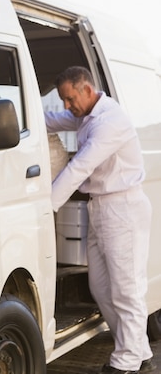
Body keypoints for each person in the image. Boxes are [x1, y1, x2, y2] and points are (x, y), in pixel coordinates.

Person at [45, 66, 155, 374]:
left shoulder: (110, 121)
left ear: (86, 90)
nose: (67, 106)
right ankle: (139, 350)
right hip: (100, 209)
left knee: (126, 289)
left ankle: (127, 363)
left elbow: (79, 167)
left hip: (123, 209)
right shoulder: (86, 115)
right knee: (101, 288)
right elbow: (52, 120)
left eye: (69, 99)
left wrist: (46, 207)